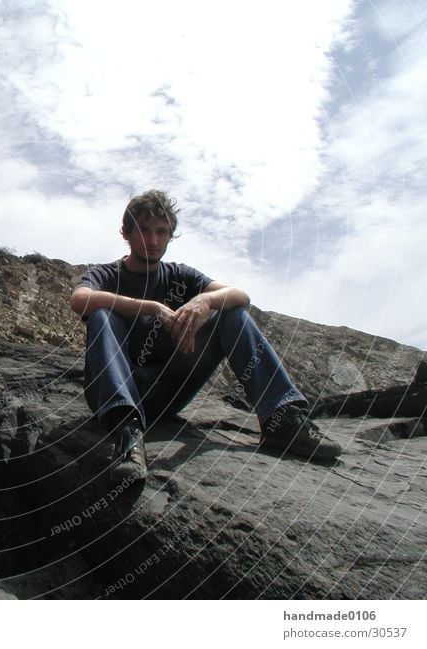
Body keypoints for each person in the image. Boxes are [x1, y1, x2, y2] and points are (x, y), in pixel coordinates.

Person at [70, 189, 342, 482]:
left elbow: (241, 295)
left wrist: (205, 301)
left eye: (162, 232)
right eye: (143, 230)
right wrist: (151, 307)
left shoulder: (180, 275)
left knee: (234, 314)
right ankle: (128, 435)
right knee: (101, 314)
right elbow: (80, 299)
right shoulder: (108, 274)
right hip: (115, 393)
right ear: (126, 232)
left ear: (170, 235)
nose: (152, 240)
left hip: (166, 391)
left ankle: (281, 421)